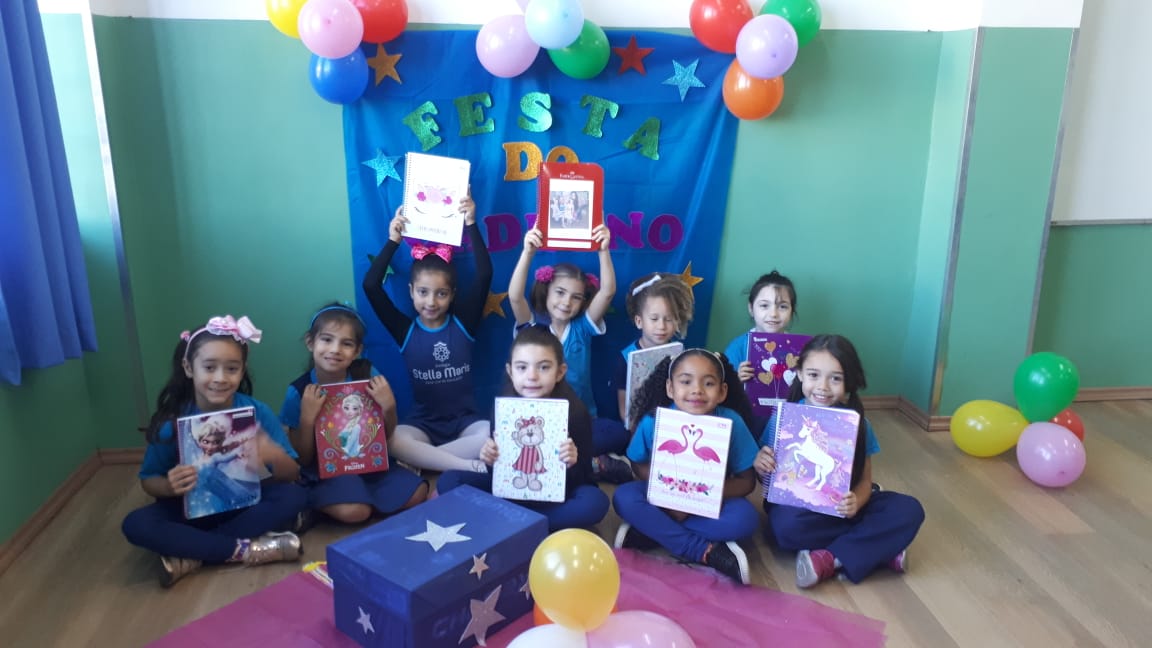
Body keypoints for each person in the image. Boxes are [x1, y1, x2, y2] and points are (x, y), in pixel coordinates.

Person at [120, 315, 308, 587]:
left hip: (241, 505)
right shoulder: (171, 422)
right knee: (136, 524)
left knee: (295, 496)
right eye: (209, 367)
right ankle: (246, 549)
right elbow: (149, 480)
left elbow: (292, 474)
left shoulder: (257, 412)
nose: (220, 378)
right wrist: (169, 486)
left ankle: (194, 554)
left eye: (231, 369)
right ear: (188, 368)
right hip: (187, 509)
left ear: (242, 371)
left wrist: (273, 454)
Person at [754, 334, 925, 588]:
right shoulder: (783, 418)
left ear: (848, 383)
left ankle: (828, 558)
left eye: (835, 378)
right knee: (784, 528)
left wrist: (858, 501)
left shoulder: (859, 424)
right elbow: (768, 479)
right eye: (813, 375)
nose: (822, 387)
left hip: (843, 507)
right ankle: (878, 550)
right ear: (799, 374)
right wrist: (760, 465)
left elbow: (865, 481)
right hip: (801, 511)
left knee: (909, 509)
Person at [362, 193, 493, 473]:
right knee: (394, 440)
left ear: (452, 295)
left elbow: (484, 276)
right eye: (423, 292)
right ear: (411, 292)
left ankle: (424, 460)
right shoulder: (405, 330)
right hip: (423, 425)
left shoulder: (463, 323)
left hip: (466, 424)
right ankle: (467, 466)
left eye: (441, 294)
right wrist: (393, 240)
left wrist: (471, 222)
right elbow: (371, 285)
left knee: (490, 433)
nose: (431, 302)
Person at [436, 327, 609, 532]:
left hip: (556, 497)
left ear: (560, 372)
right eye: (522, 367)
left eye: (543, 367)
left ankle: (512, 524)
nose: (532, 376)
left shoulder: (575, 412)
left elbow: (584, 477)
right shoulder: (505, 409)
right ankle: (532, 524)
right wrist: (490, 459)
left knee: (594, 502)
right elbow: (499, 474)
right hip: (510, 494)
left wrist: (572, 462)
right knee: (449, 480)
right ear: (510, 371)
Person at [612, 349, 759, 584]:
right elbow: (637, 464)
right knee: (624, 497)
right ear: (670, 388)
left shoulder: (732, 422)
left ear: (722, 391)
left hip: (710, 501)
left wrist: (697, 497)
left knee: (745, 518)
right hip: (663, 500)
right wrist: (669, 493)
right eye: (686, 381)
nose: (697, 390)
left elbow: (747, 481)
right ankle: (704, 551)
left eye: (708, 383)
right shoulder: (653, 421)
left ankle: (651, 531)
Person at [280, 303, 428, 525]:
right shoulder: (299, 391)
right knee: (356, 512)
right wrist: (307, 419)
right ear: (310, 342)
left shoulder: (366, 374)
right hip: (326, 472)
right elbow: (303, 458)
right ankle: (316, 501)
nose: (335, 349)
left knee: (418, 492)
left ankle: (362, 498)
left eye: (346, 343)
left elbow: (385, 435)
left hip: (370, 465)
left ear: (357, 351)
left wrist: (389, 407)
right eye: (327, 339)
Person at [507, 224, 619, 478]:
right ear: (546, 291)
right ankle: (588, 463)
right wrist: (528, 252)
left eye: (576, 297)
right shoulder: (532, 330)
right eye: (560, 292)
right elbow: (515, 297)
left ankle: (581, 459)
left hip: (580, 420)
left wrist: (603, 250)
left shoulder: (582, 328)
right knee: (530, 440)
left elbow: (608, 292)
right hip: (538, 422)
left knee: (617, 433)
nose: (566, 302)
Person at [725, 270, 798, 383]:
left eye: (782, 307)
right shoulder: (738, 347)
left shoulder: (798, 349)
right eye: (764, 305)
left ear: (792, 311)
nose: (773, 314)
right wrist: (736, 380)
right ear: (751, 308)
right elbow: (723, 387)